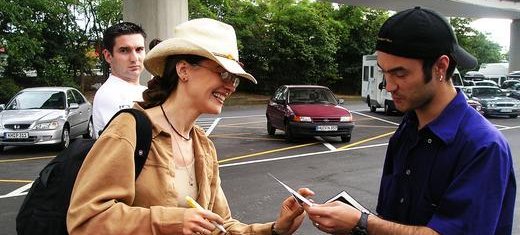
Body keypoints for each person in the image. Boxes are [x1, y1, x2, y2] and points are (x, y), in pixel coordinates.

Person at [67, 18, 314, 235]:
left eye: (235, 80)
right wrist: (172, 222)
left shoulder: (203, 145)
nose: (230, 87)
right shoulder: (129, 130)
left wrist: (274, 229)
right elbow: (86, 220)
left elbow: (221, 226)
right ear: (184, 70)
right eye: (224, 74)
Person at [303, 6, 516, 235]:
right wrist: (351, 223)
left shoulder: (483, 147)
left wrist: (362, 222)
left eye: (400, 73)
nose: (389, 86)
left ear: (440, 67)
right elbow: (391, 218)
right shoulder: (407, 127)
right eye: (384, 72)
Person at [92, 22, 148, 138]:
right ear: (108, 56)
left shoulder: (144, 90)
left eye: (139, 49)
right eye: (124, 50)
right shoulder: (109, 94)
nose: (134, 58)